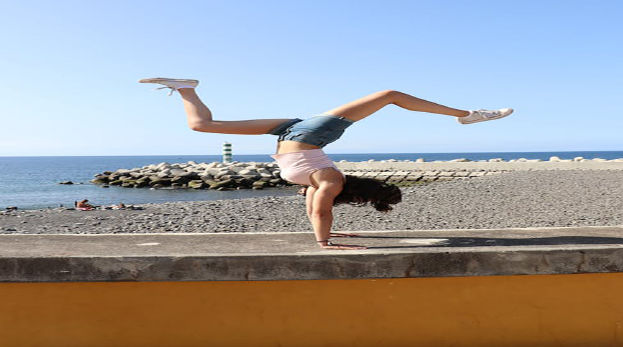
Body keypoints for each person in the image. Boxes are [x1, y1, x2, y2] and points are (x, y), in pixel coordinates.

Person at [140, 78, 513, 250]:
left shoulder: (319, 185)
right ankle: (467, 115)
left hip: (287, 132)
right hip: (310, 136)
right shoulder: (330, 180)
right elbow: (321, 214)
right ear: (347, 193)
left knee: (201, 125)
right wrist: (325, 241)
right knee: (390, 94)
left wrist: (329, 236)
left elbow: (313, 210)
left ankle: (187, 89)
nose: (322, 199)